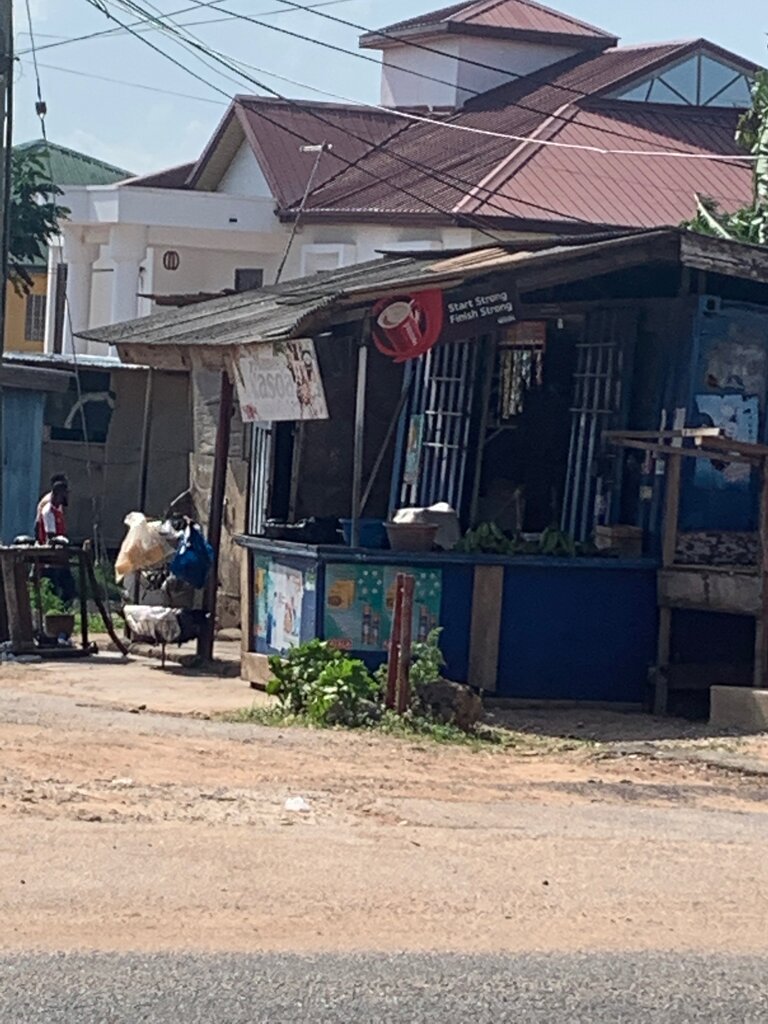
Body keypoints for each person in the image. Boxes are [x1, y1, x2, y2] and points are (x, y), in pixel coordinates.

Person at [35, 478, 69, 545]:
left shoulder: (59, 507)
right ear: (57, 495)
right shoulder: (48, 510)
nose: (66, 497)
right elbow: (51, 536)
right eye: (63, 495)